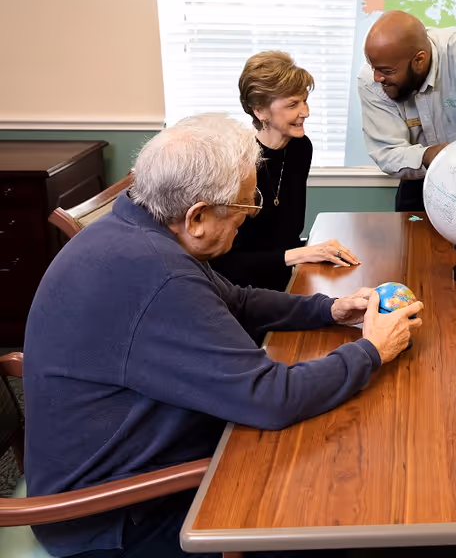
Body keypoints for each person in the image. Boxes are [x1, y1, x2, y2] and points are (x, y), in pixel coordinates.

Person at [23, 114, 423, 557]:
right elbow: (269, 397)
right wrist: (371, 351)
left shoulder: (138, 225)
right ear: (196, 217)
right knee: (333, 506)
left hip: (136, 457)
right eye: (244, 209)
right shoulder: (157, 274)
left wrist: (330, 309)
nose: (247, 221)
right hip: (112, 518)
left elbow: (238, 300)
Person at [210, 51, 359, 292]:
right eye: (292, 104)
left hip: (288, 277)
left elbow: (288, 235)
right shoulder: (236, 163)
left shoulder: (300, 147)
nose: (306, 112)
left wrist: (305, 255)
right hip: (244, 292)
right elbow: (226, 263)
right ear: (260, 111)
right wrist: (300, 255)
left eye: (304, 101)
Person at [358, 10, 456, 212]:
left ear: (419, 60)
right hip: (421, 178)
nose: (377, 77)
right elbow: (388, 152)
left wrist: (450, 157)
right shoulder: (370, 80)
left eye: (387, 71)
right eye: (372, 67)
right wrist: (429, 155)